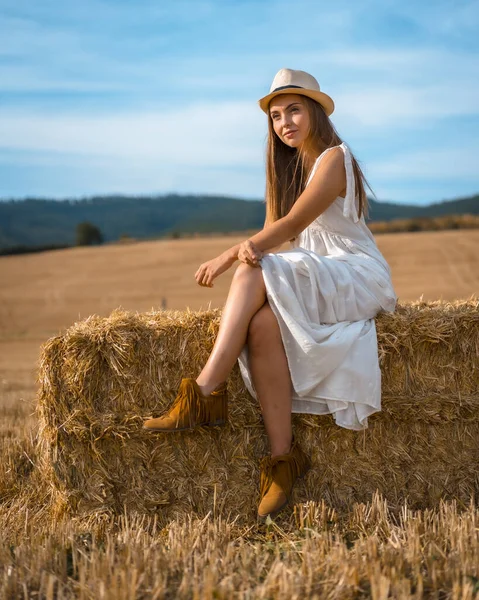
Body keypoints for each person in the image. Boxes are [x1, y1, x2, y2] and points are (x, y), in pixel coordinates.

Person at [143, 68, 398, 520]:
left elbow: (292, 227)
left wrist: (226, 258)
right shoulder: (286, 169)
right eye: (276, 116)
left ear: (316, 112)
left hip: (354, 274)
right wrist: (245, 253)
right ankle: (283, 461)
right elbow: (269, 233)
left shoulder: (335, 158)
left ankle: (205, 392)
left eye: (294, 110)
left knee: (249, 270)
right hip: (317, 274)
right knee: (260, 325)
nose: (285, 123)